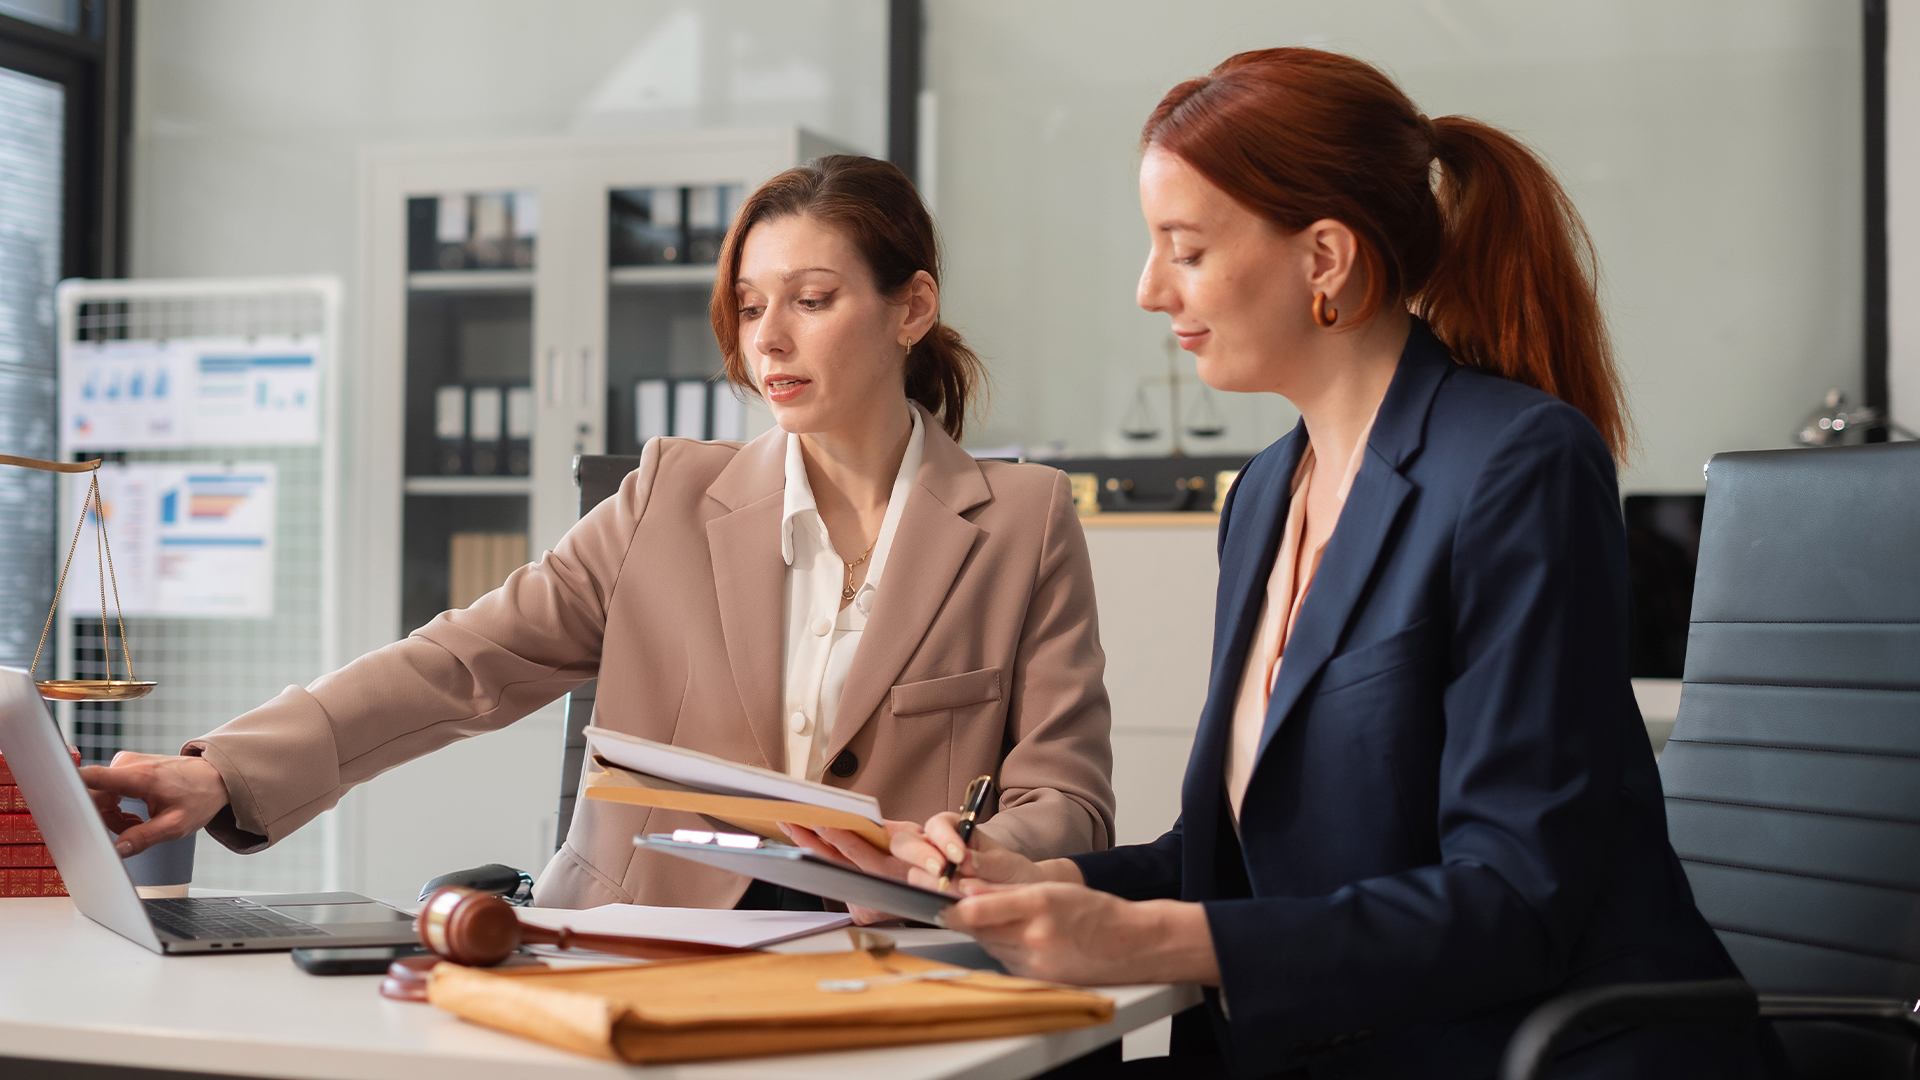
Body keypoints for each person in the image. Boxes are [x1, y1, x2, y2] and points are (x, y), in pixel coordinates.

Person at [892, 49, 1775, 1078]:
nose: (1147, 290)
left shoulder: (1517, 463)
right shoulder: (1266, 492)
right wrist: (1050, 880)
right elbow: (1237, 858)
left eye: (1184, 249)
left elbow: (1515, 893)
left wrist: (1156, 941)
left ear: (1325, 258)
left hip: (1522, 1053)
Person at [81, 155, 1116, 915]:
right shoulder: (670, 494)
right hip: (640, 945)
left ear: (911, 309)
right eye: (749, 305)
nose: (768, 338)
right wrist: (228, 770)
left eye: (812, 300)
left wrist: (967, 851)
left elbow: (1065, 793)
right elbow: (462, 662)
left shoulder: (1021, 521)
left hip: (891, 962)